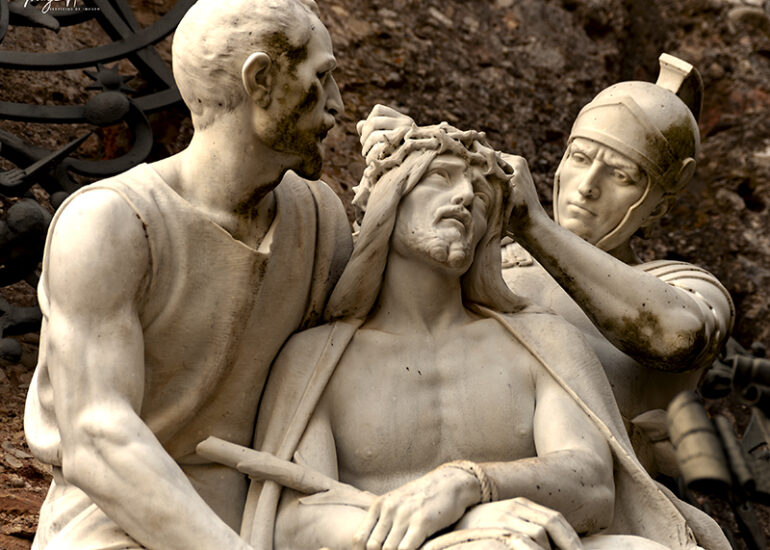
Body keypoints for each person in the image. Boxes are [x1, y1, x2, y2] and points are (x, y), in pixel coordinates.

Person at [240, 112, 729, 550]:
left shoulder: (542, 340)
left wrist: (469, 484)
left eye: (481, 194)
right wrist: (459, 528)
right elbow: (294, 518)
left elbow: (594, 486)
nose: (464, 196)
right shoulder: (316, 357)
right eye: (440, 177)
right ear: (388, 197)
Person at [23, 1, 351, 548]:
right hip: (120, 522)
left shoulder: (319, 218)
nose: (337, 104)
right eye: (322, 77)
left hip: (273, 516)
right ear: (261, 81)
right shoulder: (109, 223)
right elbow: (99, 439)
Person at [360, 55, 734, 476]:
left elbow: (678, 335)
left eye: (621, 175)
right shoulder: (488, 251)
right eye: (580, 158)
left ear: (657, 208)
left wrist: (534, 226)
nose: (588, 186)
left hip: (575, 492)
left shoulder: (679, 285)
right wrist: (409, 166)